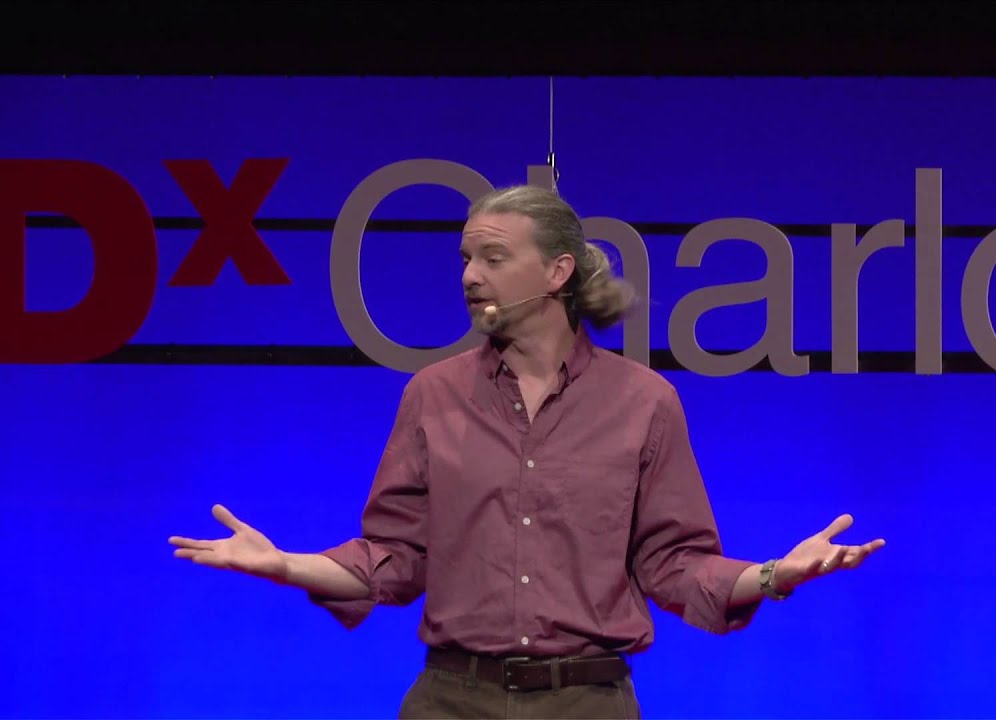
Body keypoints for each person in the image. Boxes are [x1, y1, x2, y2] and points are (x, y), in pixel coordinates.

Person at [170, 185, 887, 719]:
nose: (469, 276)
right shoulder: (434, 394)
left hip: (588, 703)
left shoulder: (643, 402)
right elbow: (395, 557)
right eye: (465, 258)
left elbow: (674, 566)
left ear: (556, 273)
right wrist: (287, 565)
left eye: (492, 257)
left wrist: (771, 575)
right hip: (452, 699)